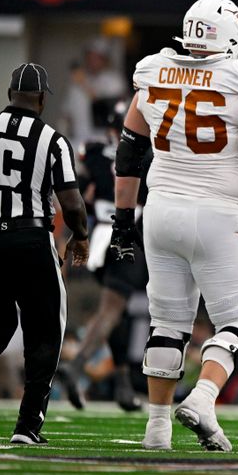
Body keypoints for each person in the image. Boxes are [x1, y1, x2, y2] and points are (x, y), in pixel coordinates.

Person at [110, 0, 238, 451]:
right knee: (237, 322)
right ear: (232, 38)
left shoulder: (152, 71)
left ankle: (156, 429)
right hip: (215, 211)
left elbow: (129, 153)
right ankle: (204, 396)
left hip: (159, 211)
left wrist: (122, 221)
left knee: (167, 322)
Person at [0, 63, 89, 444]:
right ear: (43, 98)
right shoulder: (52, 139)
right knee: (45, 331)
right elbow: (72, 202)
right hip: (31, 239)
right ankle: (27, 425)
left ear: (10, 93)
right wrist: (80, 235)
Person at [56, 99, 148, 412]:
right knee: (111, 309)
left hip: (97, 240)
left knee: (116, 313)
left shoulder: (93, 150)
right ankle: (77, 364)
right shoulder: (148, 154)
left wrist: (71, 235)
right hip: (128, 237)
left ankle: (122, 386)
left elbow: (77, 194)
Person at [62, 38, 128, 149]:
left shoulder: (114, 81)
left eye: (97, 57)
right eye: (89, 57)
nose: (92, 61)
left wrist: (84, 85)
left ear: (105, 60)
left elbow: (103, 105)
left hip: (104, 141)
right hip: (78, 140)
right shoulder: (77, 82)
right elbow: (67, 113)